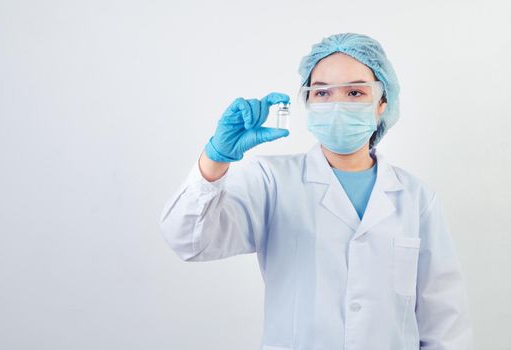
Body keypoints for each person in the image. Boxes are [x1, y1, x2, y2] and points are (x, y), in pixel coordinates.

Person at [160, 33, 474, 350]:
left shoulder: (416, 198)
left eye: (354, 92)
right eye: (322, 92)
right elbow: (188, 240)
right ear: (308, 103)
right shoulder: (272, 181)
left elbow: (444, 322)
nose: (337, 105)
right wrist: (215, 159)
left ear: (382, 103)